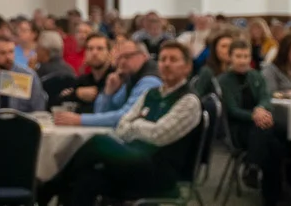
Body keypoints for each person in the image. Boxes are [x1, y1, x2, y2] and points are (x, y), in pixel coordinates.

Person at [37, 43, 203, 206]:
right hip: (134, 162)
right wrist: (138, 125)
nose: (166, 64)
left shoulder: (188, 100)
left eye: (173, 60)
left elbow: (157, 136)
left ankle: (45, 191)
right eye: (163, 59)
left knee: (98, 141)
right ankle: (48, 191)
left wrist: (136, 124)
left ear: (187, 67)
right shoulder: (151, 93)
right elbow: (122, 125)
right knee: (86, 178)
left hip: (161, 173)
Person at [219, 40, 287, 206]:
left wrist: (260, 110)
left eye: (246, 56)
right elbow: (233, 110)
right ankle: (274, 194)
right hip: (239, 128)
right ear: (230, 58)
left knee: (280, 133)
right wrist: (254, 116)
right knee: (271, 142)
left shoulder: (256, 75)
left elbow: (265, 98)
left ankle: (253, 166)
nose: (242, 60)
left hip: (258, 124)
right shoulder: (224, 80)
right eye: (238, 56)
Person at [57, 39, 163, 128]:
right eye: (119, 58)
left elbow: (125, 116)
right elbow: (100, 112)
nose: (122, 62)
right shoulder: (130, 76)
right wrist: (108, 91)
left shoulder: (149, 80)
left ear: (144, 56)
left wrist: (80, 120)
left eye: (127, 56)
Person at [60, 33, 113, 114]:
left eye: (100, 49)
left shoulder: (116, 78)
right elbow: (60, 101)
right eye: (90, 49)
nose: (94, 53)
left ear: (109, 53)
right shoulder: (83, 80)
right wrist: (77, 94)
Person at [192, 32, 233, 99]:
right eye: (224, 46)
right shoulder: (207, 72)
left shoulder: (236, 71)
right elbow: (197, 97)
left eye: (231, 46)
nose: (228, 50)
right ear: (215, 49)